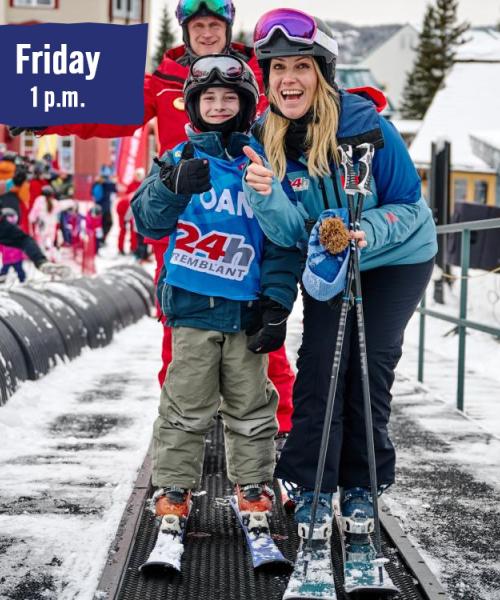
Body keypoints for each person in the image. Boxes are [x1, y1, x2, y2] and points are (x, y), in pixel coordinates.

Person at [6, 0, 297, 438]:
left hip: (248, 223)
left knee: (260, 327)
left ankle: (283, 428)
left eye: (213, 24)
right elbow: (105, 108)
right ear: (186, 31)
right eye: (197, 25)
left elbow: (306, 98)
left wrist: (360, 111)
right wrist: (47, 116)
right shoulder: (164, 83)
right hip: (185, 227)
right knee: (178, 331)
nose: (205, 33)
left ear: (227, 27)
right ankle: (180, 431)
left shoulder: (256, 72)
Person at [242, 9, 437, 531]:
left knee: (368, 364)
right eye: (278, 68)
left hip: (395, 258)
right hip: (331, 263)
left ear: (322, 72)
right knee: (323, 364)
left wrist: (365, 230)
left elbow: (411, 207)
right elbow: (287, 237)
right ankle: (310, 483)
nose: (288, 79)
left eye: (301, 66)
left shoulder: (367, 129)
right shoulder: (266, 139)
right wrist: (264, 199)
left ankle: (361, 484)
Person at [132, 55, 300, 520]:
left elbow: (283, 241)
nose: (220, 105)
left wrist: (277, 302)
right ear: (193, 104)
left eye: (230, 98)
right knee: (185, 407)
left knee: (251, 407)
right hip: (192, 309)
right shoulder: (177, 158)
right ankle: (173, 488)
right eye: (210, 97)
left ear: (247, 106)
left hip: (246, 312)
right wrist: (172, 186)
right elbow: (147, 221)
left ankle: (252, 486)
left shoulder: (264, 162)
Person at [0, 208, 27, 283]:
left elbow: (24, 242)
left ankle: (23, 281)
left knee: (20, 271)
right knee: (4, 271)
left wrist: (24, 253)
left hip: (16, 257)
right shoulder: (2, 231)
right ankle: (2, 280)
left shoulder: (17, 230)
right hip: (7, 257)